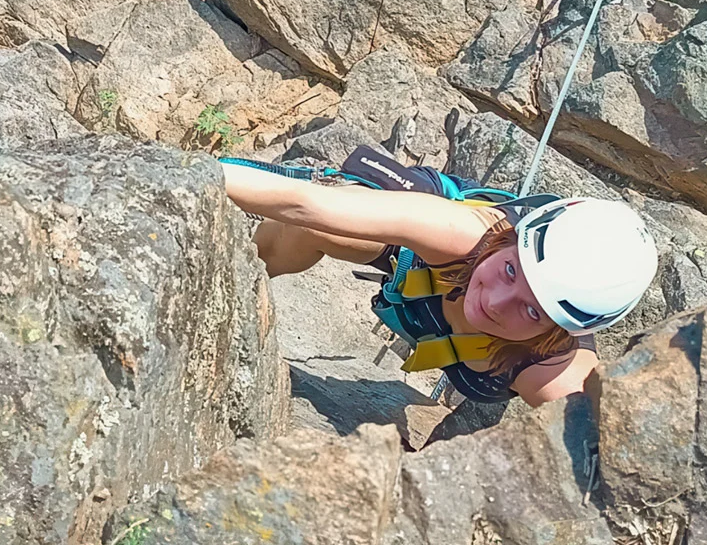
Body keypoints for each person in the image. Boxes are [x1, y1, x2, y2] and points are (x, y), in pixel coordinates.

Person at [222, 151, 657, 406]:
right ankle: (231, 283)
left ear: (558, 332)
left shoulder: (554, 374)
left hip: (471, 337)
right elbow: (306, 204)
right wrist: (192, 174)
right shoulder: (467, 236)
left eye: (530, 309)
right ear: (508, 241)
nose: (496, 301)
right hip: (426, 269)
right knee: (316, 228)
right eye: (510, 270)